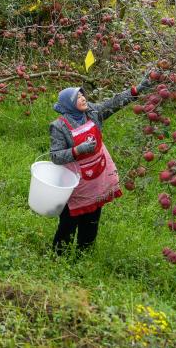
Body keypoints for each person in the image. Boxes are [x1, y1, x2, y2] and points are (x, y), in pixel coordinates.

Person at [48, 75, 151, 254]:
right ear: (68, 104)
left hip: (97, 176)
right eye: (78, 98)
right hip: (75, 181)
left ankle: (84, 255)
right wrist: (78, 150)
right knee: (69, 220)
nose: (83, 99)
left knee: (92, 218)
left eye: (83, 96)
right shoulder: (59, 126)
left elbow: (113, 103)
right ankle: (59, 255)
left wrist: (136, 91)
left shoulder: (92, 113)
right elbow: (55, 157)